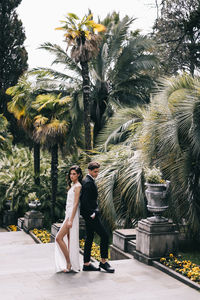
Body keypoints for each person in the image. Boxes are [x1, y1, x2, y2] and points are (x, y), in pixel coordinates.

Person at [80, 161, 115, 273]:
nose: (97, 174)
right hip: (91, 216)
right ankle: (103, 262)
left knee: (89, 238)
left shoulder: (88, 181)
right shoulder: (88, 182)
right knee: (104, 236)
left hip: (89, 215)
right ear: (89, 170)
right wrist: (92, 213)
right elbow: (84, 201)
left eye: (97, 171)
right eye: (95, 171)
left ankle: (86, 264)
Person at [55, 165, 82, 273]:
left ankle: (69, 262)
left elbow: (75, 204)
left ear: (78, 175)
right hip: (68, 214)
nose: (71, 176)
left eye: (74, 174)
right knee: (70, 240)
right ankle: (71, 263)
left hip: (72, 215)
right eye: (70, 174)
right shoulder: (73, 185)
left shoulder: (78, 186)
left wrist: (70, 219)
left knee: (58, 238)